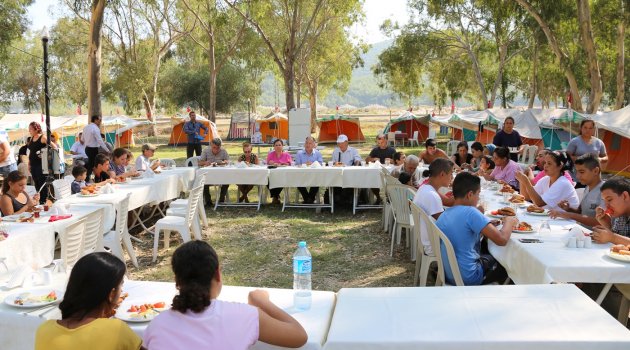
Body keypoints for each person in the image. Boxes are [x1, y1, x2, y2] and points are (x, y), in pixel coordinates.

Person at [143, 240, 307, 350]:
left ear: (177, 281)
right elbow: (299, 336)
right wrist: (262, 301)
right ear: (218, 275)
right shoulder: (245, 316)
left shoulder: (157, 325)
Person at [35, 253, 142, 350]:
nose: (122, 290)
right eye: (121, 285)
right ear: (111, 294)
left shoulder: (43, 330)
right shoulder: (116, 329)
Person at [435, 172, 517, 285]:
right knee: (507, 264)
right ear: (469, 194)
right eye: (478, 194)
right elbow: (502, 240)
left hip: (449, 274)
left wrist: (485, 227)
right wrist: (509, 222)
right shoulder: (471, 212)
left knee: (489, 252)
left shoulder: (444, 214)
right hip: (469, 277)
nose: (478, 198)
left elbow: (463, 234)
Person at [412, 158, 454, 256]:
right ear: (442, 174)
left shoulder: (425, 188)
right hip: (434, 245)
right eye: (451, 174)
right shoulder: (431, 195)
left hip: (427, 240)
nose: (452, 177)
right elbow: (445, 225)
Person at [549, 154, 603, 228]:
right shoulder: (587, 188)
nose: (577, 176)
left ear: (595, 171)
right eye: (577, 172)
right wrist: (568, 209)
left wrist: (568, 215)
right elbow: (580, 212)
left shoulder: (605, 191)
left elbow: (600, 221)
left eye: (582, 172)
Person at [591, 177, 630, 245]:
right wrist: (607, 225)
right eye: (604, 201)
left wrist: (612, 238)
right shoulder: (620, 214)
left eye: (609, 200)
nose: (606, 206)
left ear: (624, 196)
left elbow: (614, 238)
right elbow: (620, 240)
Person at [200, 138, 230, 206]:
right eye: (214, 147)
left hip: (221, 175)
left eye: (218, 148)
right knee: (204, 182)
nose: (216, 150)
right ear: (211, 145)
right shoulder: (206, 150)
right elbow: (200, 162)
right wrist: (205, 162)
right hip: (209, 175)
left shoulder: (223, 151)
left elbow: (228, 161)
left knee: (227, 181)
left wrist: (224, 162)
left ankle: (221, 200)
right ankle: (208, 202)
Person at [295, 136, 323, 204]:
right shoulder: (299, 153)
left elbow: (320, 164)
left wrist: (312, 164)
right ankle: (308, 198)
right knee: (297, 181)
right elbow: (297, 165)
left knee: (317, 181)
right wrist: (305, 164)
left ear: (314, 145)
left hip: (314, 175)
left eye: (310, 143)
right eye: (306, 143)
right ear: (304, 144)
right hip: (301, 175)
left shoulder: (317, 153)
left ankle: (309, 199)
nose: (308, 145)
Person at [27, 122, 49, 204]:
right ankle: (40, 200)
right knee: (36, 183)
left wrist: (44, 153)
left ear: (36, 129)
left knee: (42, 183)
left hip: (41, 165)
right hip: (33, 165)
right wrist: (29, 164)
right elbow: (31, 152)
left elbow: (53, 147)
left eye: (31, 129)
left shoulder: (43, 137)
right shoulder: (32, 138)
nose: (29, 131)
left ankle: (44, 200)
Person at [83, 115, 110, 179]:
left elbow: (82, 139)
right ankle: (87, 178)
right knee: (95, 165)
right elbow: (99, 140)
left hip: (87, 148)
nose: (100, 122)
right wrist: (107, 150)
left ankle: (88, 177)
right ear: (95, 120)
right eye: (99, 120)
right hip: (93, 149)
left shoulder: (86, 127)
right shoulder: (95, 128)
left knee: (91, 164)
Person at [267, 139, 292, 204]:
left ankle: (275, 197)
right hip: (272, 175)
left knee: (282, 180)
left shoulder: (287, 155)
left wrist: (283, 164)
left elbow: (289, 163)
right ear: (274, 146)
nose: (278, 146)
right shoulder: (270, 154)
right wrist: (271, 163)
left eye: (279, 145)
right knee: (266, 180)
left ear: (282, 146)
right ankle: (276, 196)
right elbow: (268, 163)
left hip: (283, 174)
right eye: (276, 145)